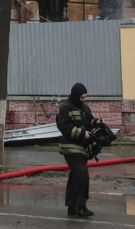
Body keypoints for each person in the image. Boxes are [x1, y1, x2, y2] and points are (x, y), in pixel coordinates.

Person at [56, 82, 102, 218]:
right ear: (75, 95)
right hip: (70, 148)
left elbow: (89, 121)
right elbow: (64, 127)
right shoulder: (65, 108)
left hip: (82, 148)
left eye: (85, 97)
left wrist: (97, 123)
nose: (83, 100)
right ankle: (80, 207)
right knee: (81, 176)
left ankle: (72, 206)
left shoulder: (84, 108)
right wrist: (83, 134)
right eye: (82, 97)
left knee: (75, 176)